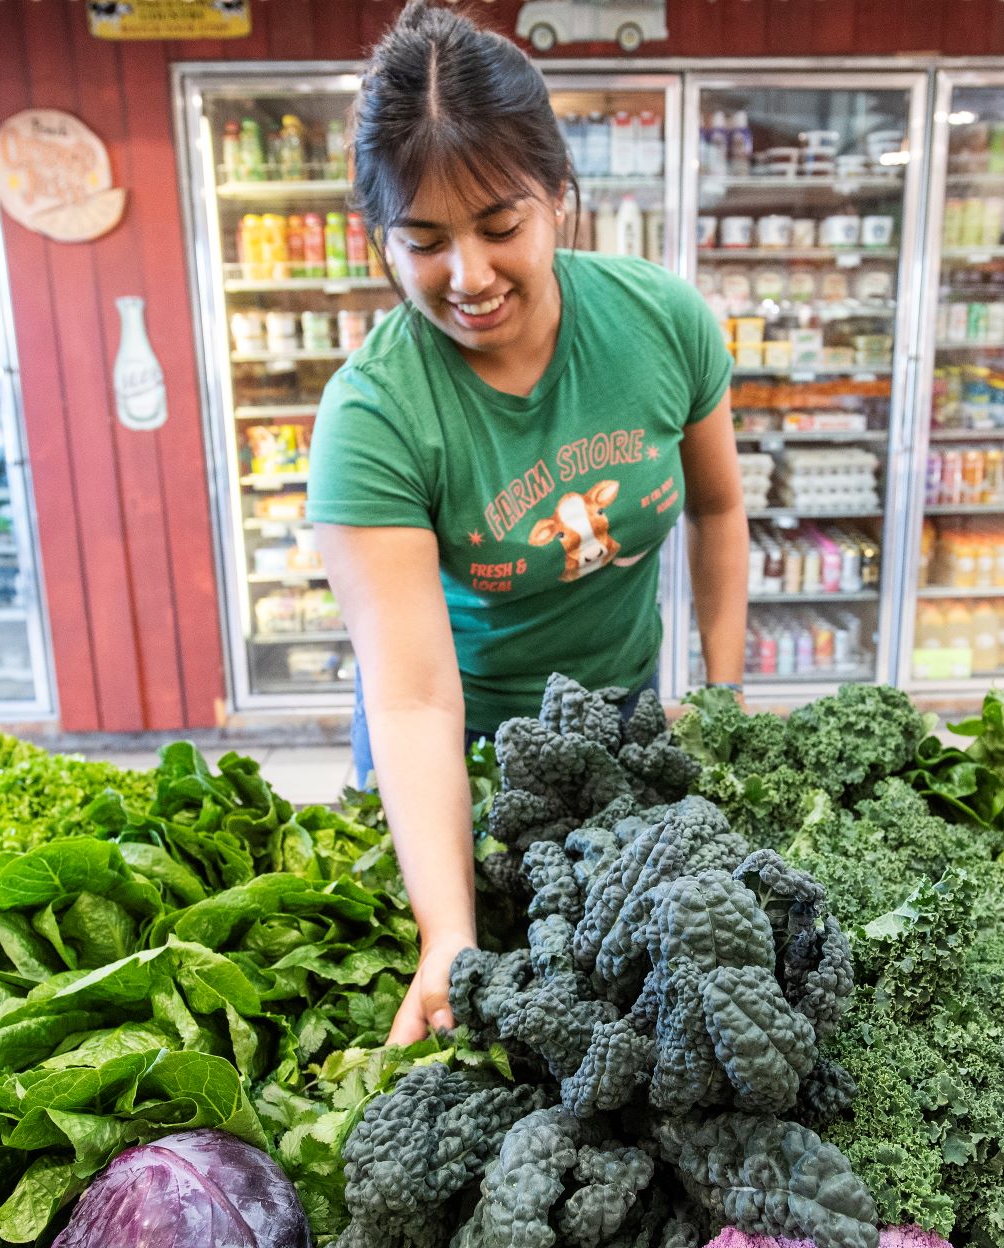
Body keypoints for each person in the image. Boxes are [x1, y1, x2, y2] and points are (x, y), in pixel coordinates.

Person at [305, 0, 748, 1046]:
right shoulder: (372, 414)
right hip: (458, 755)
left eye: (500, 226)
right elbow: (411, 699)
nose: (467, 277)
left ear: (559, 196)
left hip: (621, 714)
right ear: (381, 237)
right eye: (422, 241)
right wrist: (444, 931)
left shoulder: (660, 322)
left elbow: (719, 508)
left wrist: (723, 696)